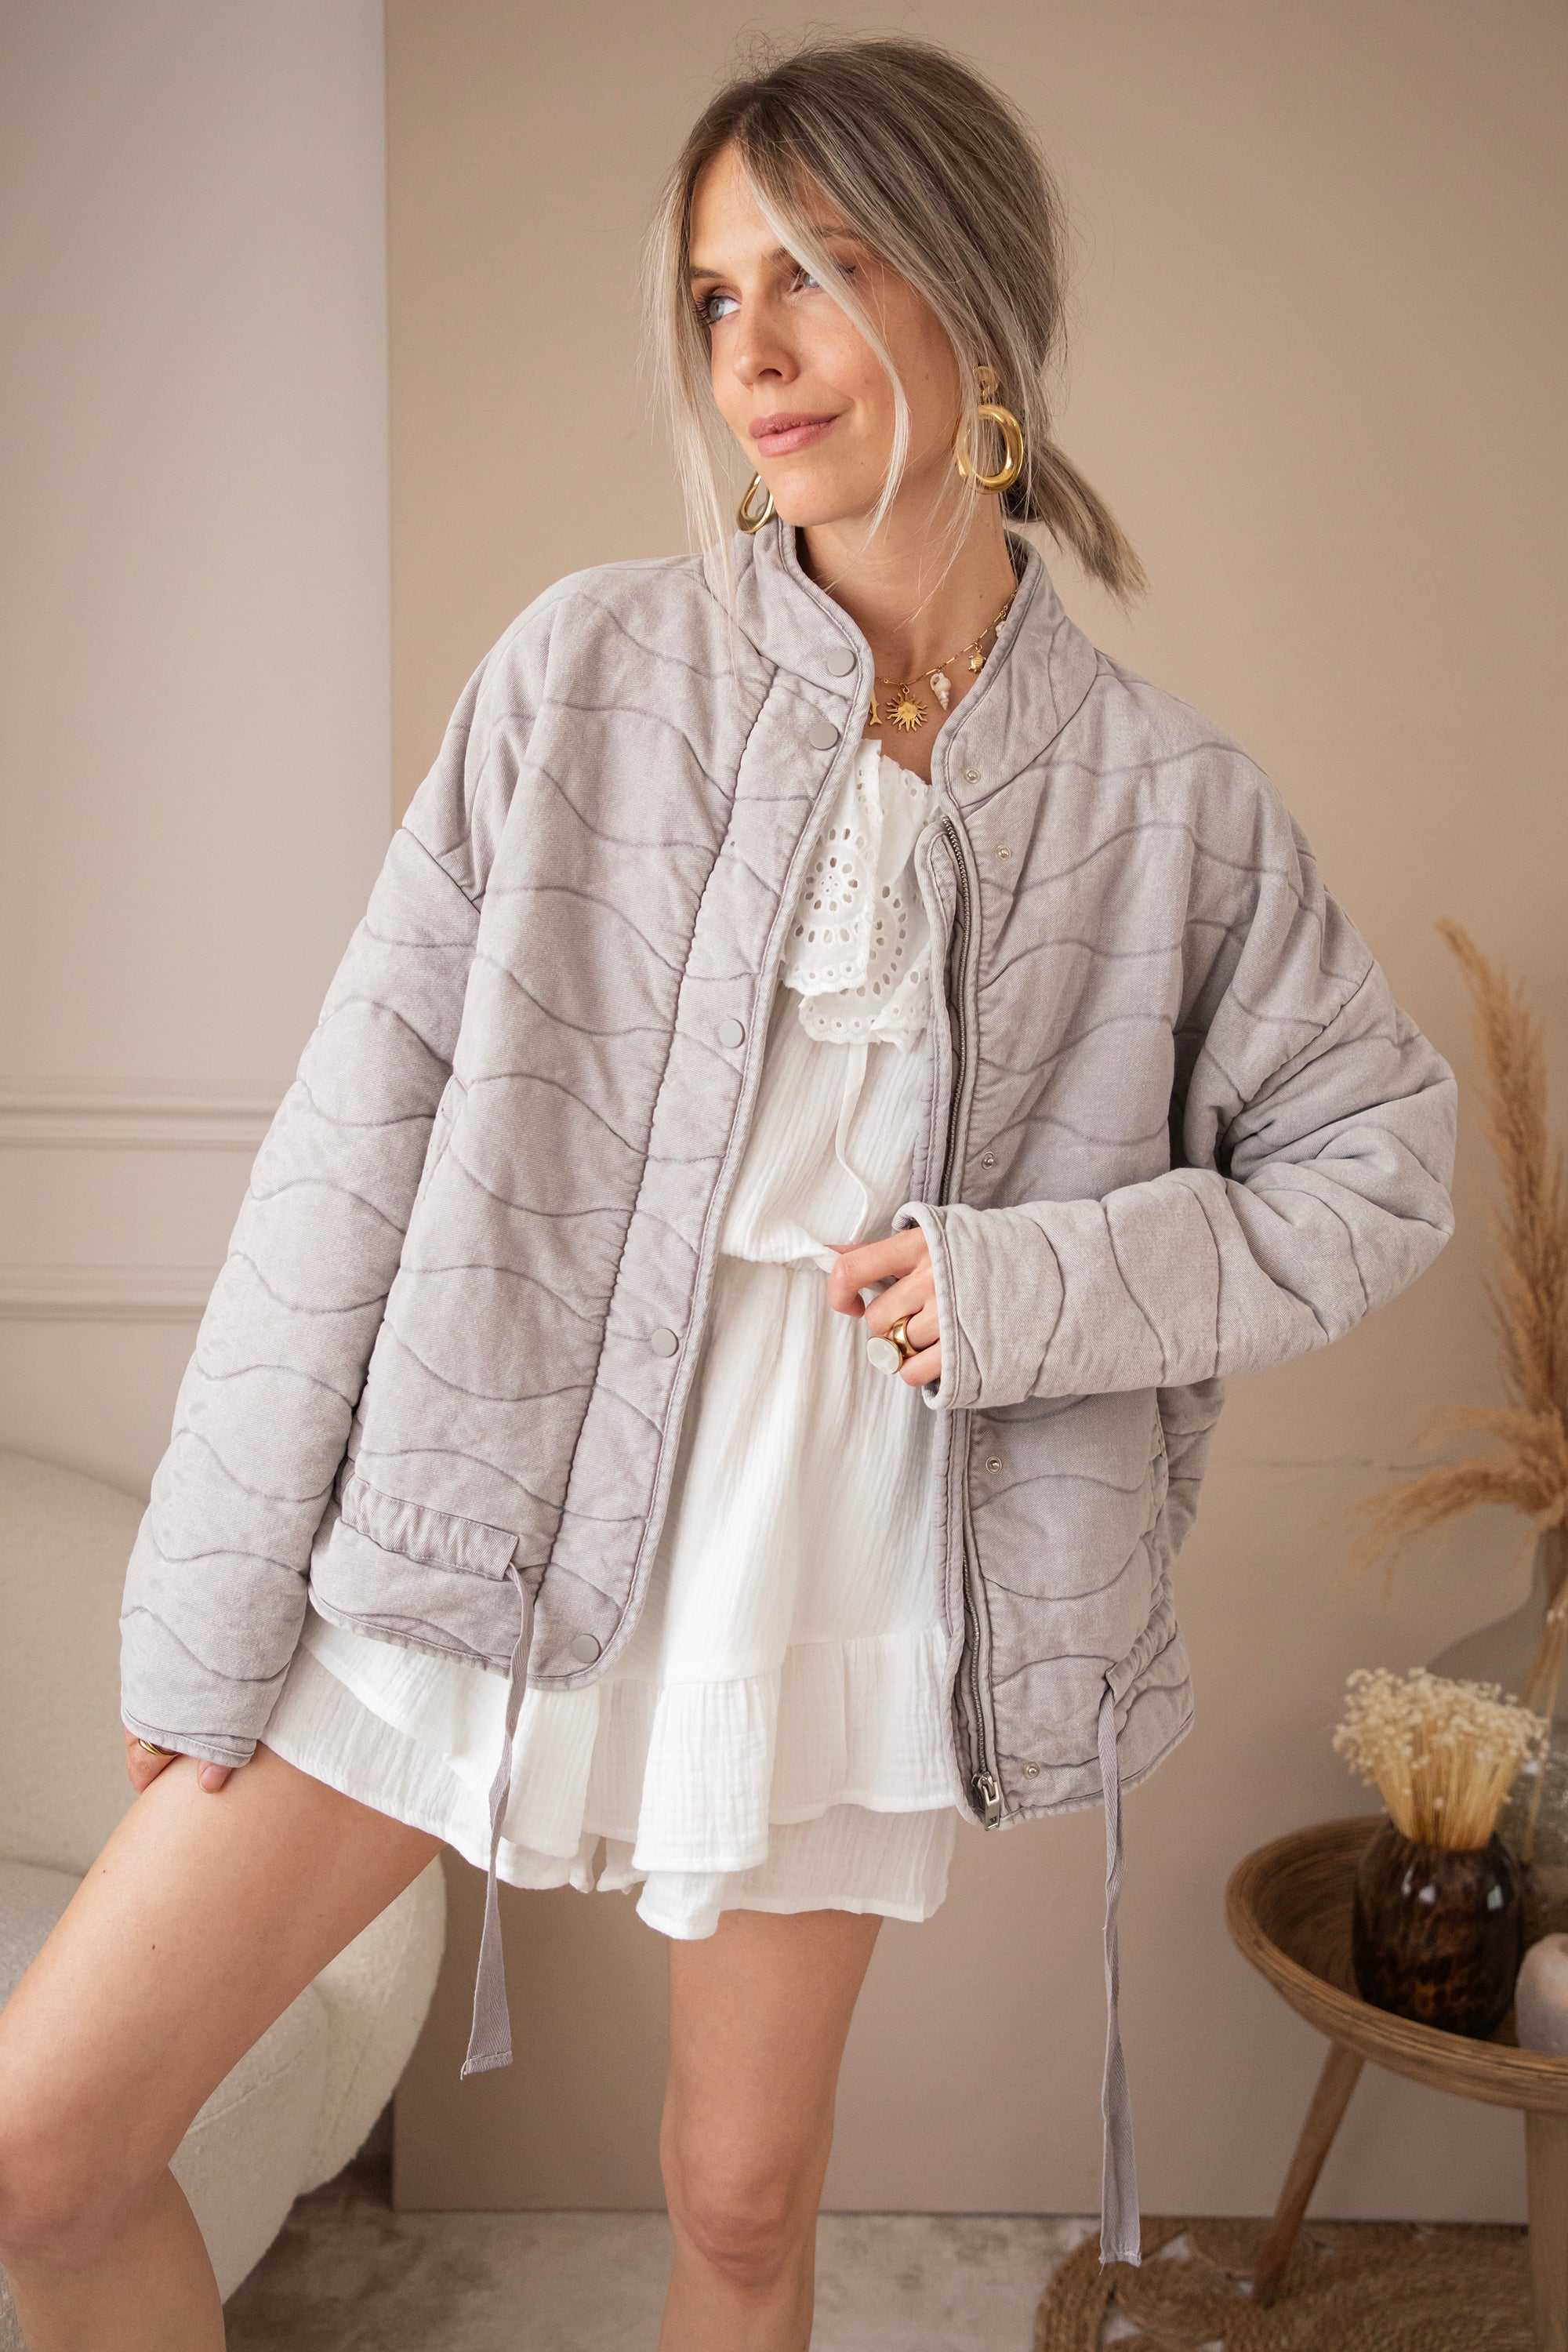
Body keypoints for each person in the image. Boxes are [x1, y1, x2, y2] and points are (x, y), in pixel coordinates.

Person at [0, 36, 1456, 2352]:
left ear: (976, 293)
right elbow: (349, 1147)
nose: (752, 351)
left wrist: (1033, 1290)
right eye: (712, 297)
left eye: (818, 274)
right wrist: (206, 1600)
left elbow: (1379, 1166)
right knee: (44, 2150)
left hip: (836, 1543)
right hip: (485, 1486)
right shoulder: (583, 672)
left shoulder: (1167, 803)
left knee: (742, 2210)